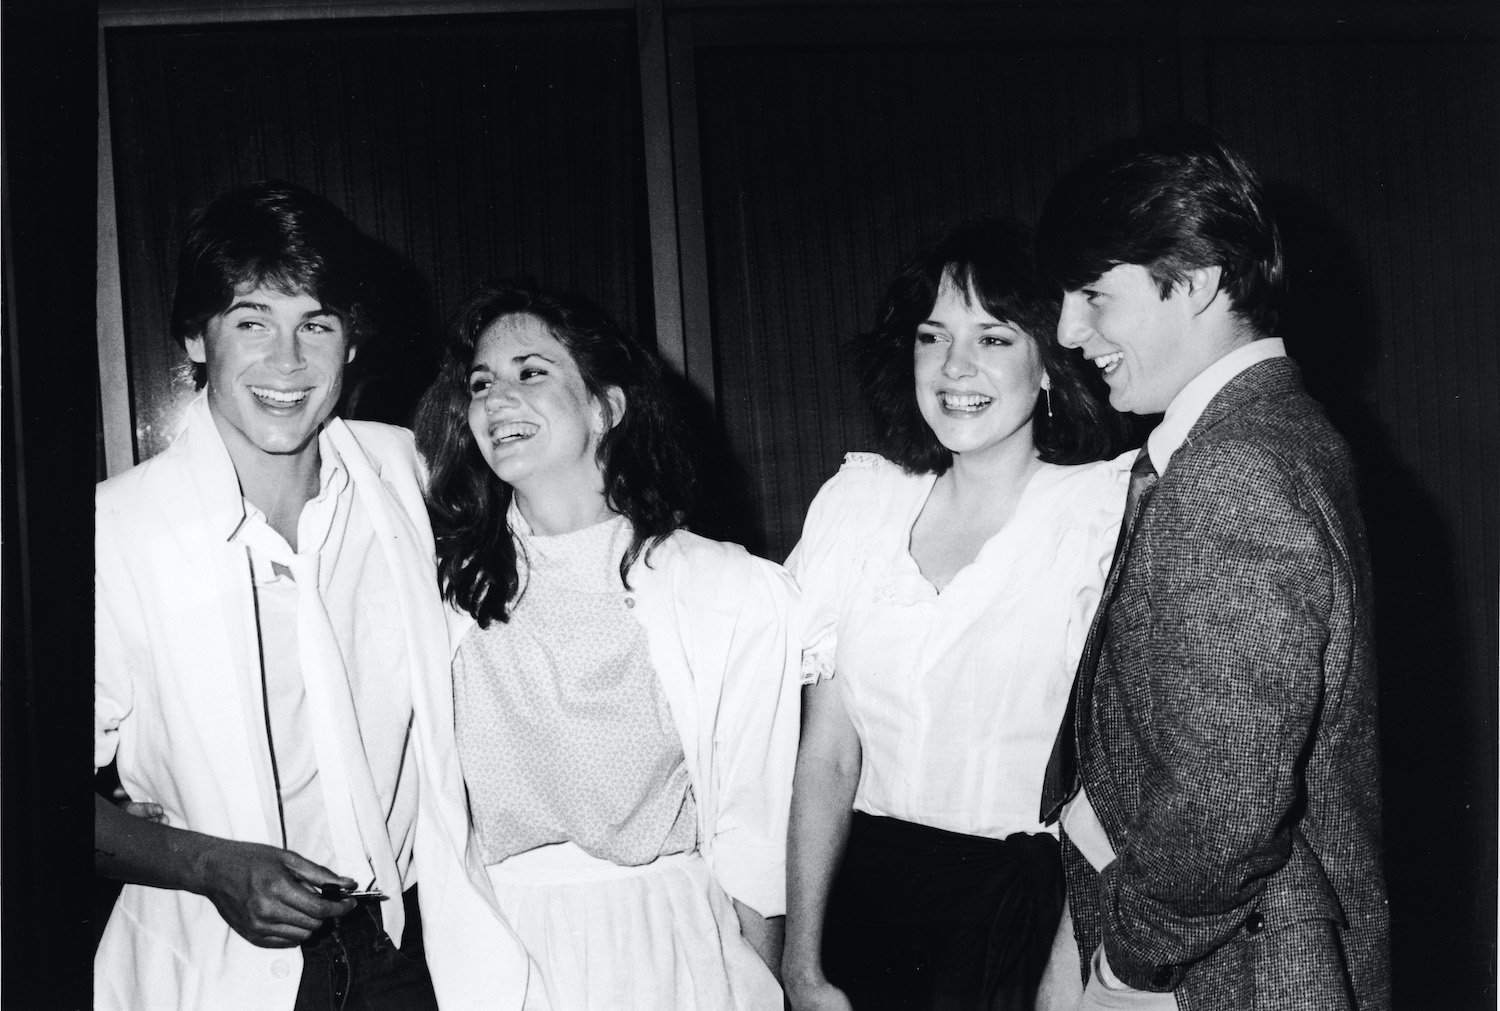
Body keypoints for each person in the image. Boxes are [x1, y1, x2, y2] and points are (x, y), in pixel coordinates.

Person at [93, 181, 534, 1010]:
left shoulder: (405, 471)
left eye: (317, 325)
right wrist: (207, 862)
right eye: (252, 321)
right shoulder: (114, 533)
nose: (288, 364)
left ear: (351, 342)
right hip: (212, 960)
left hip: (404, 953)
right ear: (196, 336)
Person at [1034, 124, 1390, 1009]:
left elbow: (1220, 810)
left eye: (1093, 295)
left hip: (1228, 971)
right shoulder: (1272, 432)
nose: (1070, 331)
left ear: (1192, 284)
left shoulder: (1233, 471)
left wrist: (1127, 966)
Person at [413, 280, 801, 1008]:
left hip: (667, 943)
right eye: (481, 383)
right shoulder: (439, 595)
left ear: (605, 405)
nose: (497, 400)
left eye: (531, 372)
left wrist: (761, 988)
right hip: (496, 944)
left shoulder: (726, 592)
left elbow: (754, 836)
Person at [782, 220, 1129, 1010]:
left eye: (995, 338)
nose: (954, 366)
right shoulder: (860, 506)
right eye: (932, 335)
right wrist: (802, 966)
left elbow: (1113, 786)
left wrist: (1066, 976)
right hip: (863, 908)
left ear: (1050, 364)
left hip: (1021, 919)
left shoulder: (1101, 515)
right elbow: (827, 758)